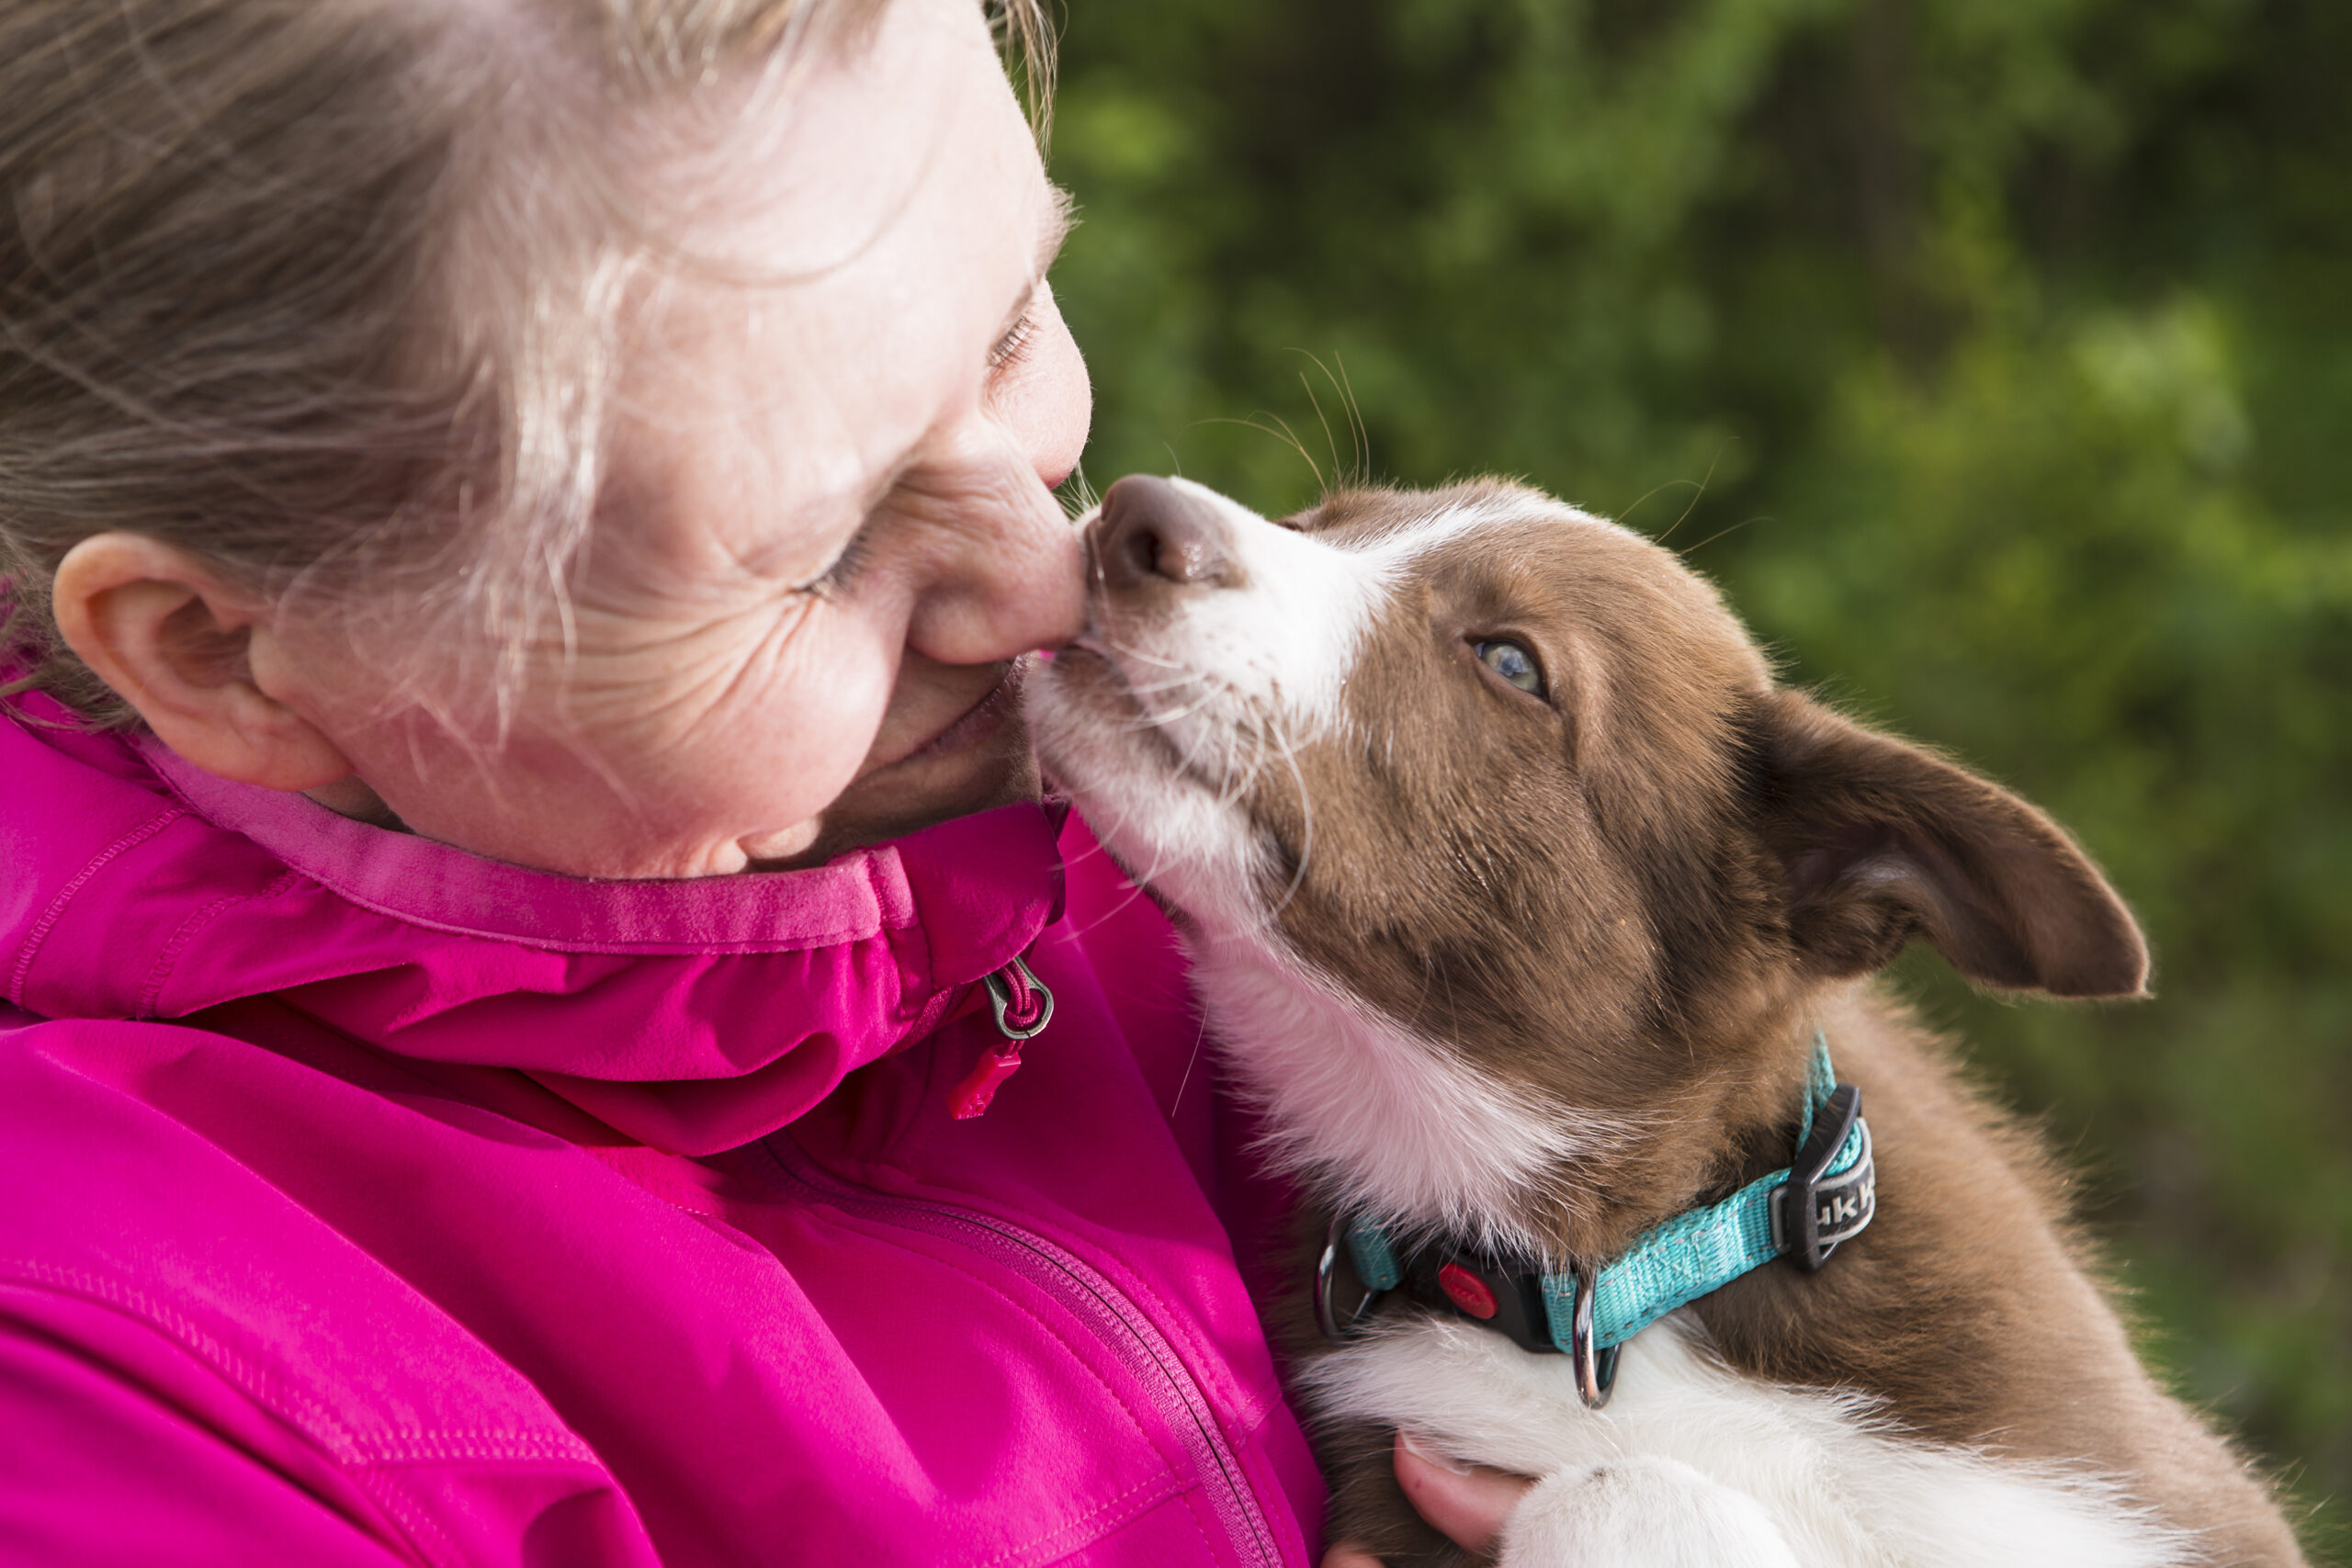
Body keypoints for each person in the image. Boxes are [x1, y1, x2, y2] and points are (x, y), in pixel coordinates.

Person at [0, 0, 1522, 1561]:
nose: (1047, 581)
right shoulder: (115, 1389)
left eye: (1011, 329)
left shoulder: (1146, 859)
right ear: (221, 655)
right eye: (816, 550)